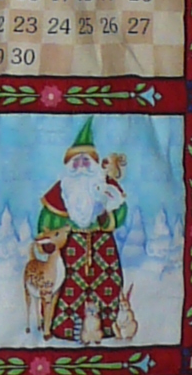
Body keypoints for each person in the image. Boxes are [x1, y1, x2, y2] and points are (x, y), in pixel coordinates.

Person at [32, 127, 132, 341]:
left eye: (86, 161)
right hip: (70, 248)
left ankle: (107, 328)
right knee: (66, 287)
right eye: (75, 162)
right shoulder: (60, 191)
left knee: (107, 285)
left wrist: (105, 215)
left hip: (103, 247)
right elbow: (47, 221)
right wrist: (47, 244)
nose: (81, 167)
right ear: (68, 166)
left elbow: (120, 212)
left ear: (95, 164)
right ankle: (64, 329)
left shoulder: (106, 186)